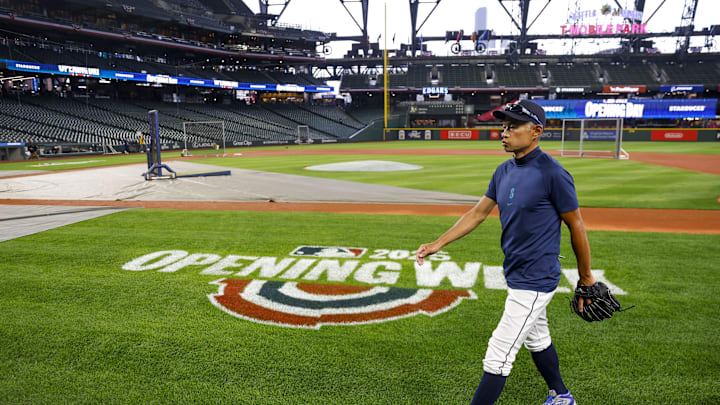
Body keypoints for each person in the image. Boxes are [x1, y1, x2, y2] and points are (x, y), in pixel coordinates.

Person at [416, 100, 595, 405]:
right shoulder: (504, 170)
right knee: (537, 339)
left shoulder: (553, 173)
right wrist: (438, 243)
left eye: (513, 126)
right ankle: (562, 396)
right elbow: (478, 213)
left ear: (536, 131)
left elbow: (576, 225)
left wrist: (586, 278)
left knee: (498, 355)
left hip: (536, 279)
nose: (504, 132)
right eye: (504, 126)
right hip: (517, 273)